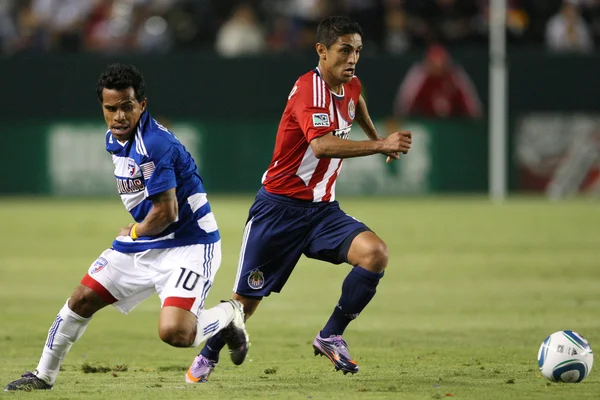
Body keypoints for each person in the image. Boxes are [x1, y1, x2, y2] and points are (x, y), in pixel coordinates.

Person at [184, 16, 412, 383]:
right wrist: (381, 144)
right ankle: (208, 355)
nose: (352, 59)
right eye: (344, 50)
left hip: (323, 211)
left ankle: (331, 335)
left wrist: (376, 133)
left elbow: (358, 103)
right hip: (279, 210)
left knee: (375, 254)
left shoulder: (349, 85)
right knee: (245, 304)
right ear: (321, 51)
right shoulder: (309, 90)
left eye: (358, 51)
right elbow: (320, 146)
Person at [4, 63, 249, 391]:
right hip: (146, 241)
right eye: (111, 108)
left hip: (189, 245)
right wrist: (137, 235)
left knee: (176, 333)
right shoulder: (115, 138)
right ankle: (43, 376)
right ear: (102, 108)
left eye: (127, 107)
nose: (119, 116)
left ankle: (229, 315)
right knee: (81, 299)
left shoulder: (154, 145)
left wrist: (133, 232)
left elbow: (166, 212)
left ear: (142, 105)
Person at [392, 44, 482, 119]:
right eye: (434, 64)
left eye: (441, 63)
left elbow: (472, 105)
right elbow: (404, 104)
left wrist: (475, 119)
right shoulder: (419, 74)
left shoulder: (455, 75)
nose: (438, 68)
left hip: (454, 123)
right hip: (427, 122)